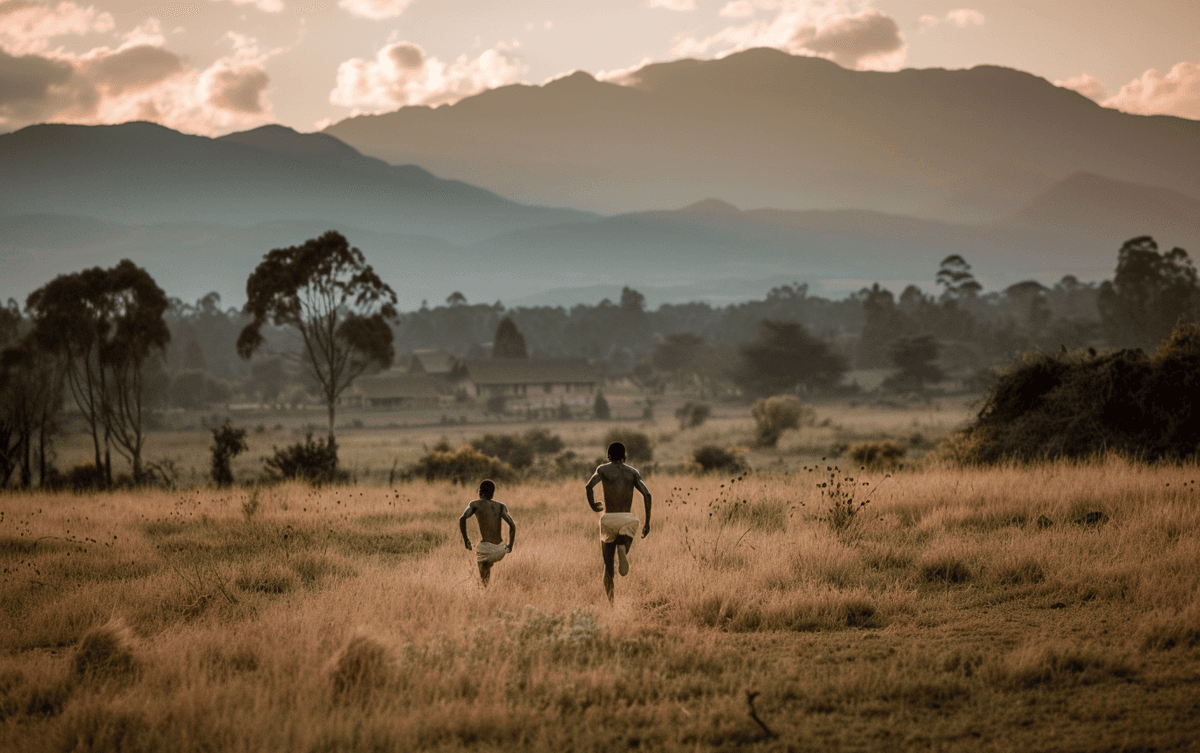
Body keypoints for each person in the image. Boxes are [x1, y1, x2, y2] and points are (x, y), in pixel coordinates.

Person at [585, 442, 652, 602]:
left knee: (608, 568)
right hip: (626, 520)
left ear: (608, 456)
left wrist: (594, 505)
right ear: (624, 457)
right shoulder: (633, 473)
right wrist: (647, 522)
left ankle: (611, 604)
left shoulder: (603, 470)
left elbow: (589, 486)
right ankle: (623, 545)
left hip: (608, 519)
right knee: (624, 539)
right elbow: (647, 495)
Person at [459, 479, 516, 586]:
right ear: (493, 493)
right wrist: (510, 546)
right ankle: (488, 586)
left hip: (486, 549)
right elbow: (512, 526)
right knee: (487, 564)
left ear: (480, 491)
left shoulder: (475, 504)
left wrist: (466, 540)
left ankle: (485, 593)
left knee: (483, 578)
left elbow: (462, 519)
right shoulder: (501, 506)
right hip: (500, 549)